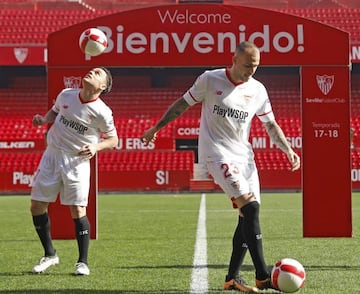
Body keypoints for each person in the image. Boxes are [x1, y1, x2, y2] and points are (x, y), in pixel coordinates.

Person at [140, 41, 300, 292]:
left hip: (245, 157)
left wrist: (288, 149)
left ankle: (232, 278)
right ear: (234, 59)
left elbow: (270, 124)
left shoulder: (258, 89)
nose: (251, 71)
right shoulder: (210, 79)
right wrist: (156, 128)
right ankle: (262, 275)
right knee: (252, 207)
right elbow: (182, 104)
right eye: (247, 65)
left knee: (246, 217)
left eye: (256, 66)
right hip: (216, 154)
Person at [31, 67, 118, 276]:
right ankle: (50, 255)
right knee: (36, 206)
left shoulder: (103, 112)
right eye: (92, 70)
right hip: (51, 155)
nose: (91, 72)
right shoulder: (66, 94)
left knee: (78, 210)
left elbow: (114, 140)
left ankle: (82, 262)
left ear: (103, 86)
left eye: (97, 73)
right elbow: (55, 110)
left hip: (76, 161)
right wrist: (44, 119)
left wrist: (96, 147)